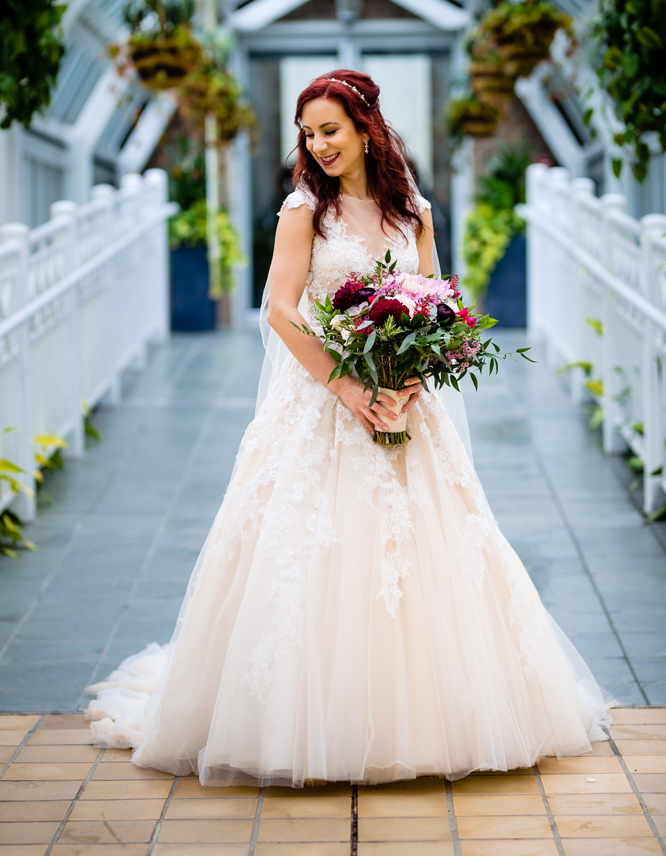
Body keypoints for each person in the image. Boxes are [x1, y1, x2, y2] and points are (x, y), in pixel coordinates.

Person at [87, 69, 614, 787]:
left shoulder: (415, 214)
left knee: (427, 552)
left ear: (367, 127)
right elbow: (280, 308)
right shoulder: (305, 210)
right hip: (321, 407)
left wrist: (405, 382)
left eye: (329, 130)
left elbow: (439, 311)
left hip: (402, 408)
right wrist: (347, 387)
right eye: (308, 133)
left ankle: (428, 716)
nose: (317, 144)